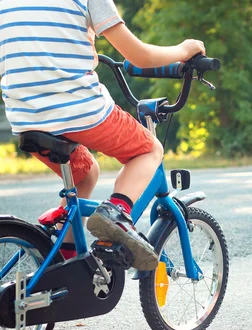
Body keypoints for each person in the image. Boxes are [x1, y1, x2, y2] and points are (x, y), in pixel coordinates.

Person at [0, 0, 205, 270]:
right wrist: (184, 49)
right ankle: (115, 212)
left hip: (25, 116)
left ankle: (64, 260)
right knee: (149, 150)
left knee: (85, 173)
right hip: (80, 109)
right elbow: (139, 56)